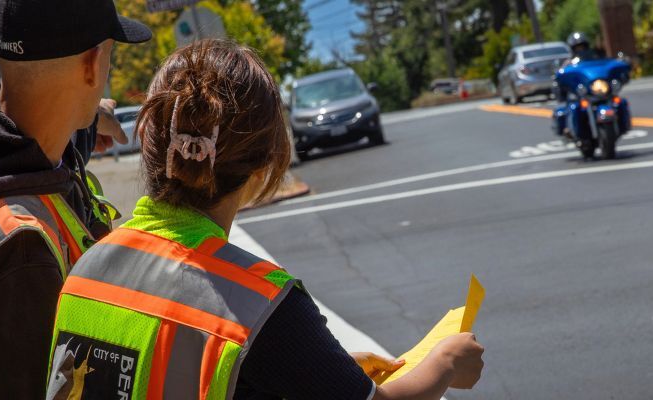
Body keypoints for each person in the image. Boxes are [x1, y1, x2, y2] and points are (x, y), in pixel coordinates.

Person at [46, 39, 485, 400]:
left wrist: (325, 368)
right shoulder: (259, 308)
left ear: (149, 142)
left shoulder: (85, 271)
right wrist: (444, 364)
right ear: (264, 167)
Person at [0, 0, 151, 398]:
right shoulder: (20, 250)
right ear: (92, 64)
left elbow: (40, 113)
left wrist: (88, 117)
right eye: (111, 56)